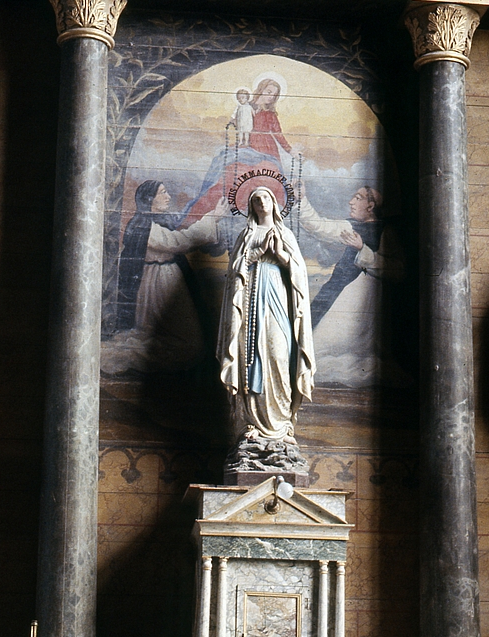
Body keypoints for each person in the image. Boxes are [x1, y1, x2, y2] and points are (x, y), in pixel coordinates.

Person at [217, 186, 315, 460]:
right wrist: (256, 252)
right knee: (251, 358)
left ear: (274, 203)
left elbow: (299, 275)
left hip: (279, 303)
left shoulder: (286, 234)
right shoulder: (246, 235)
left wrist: (282, 257)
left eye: (266, 198)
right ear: (251, 207)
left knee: (279, 354)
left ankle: (282, 425)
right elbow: (236, 270)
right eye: (256, 199)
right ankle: (253, 425)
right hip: (251, 307)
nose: (261, 202)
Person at [296, 183, 407, 387]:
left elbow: (398, 271)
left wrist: (362, 249)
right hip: (335, 290)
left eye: (357, 198)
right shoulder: (350, 226)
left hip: (361, 302)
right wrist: (301, 199)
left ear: (370, 206)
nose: (351, 202)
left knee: (339, 353)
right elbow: (319, 226)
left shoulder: (386, 232)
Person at [110, 180, 226, 371]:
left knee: (183, 339)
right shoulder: (144, 226)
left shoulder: (153, 222)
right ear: (149, 199)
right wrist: (212, 217)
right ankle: (131, 355)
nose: (168, 197)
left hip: (166, 278)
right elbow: (178, 242)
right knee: (185, 343)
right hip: (159, 283)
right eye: (162, 193)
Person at [248, 79, 292, 161]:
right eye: (269, 92)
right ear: (261, 90)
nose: (271, 97)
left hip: (267, 147)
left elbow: (278, 134)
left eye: (274, 95)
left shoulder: (271, 114)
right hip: (248, 144)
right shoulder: (246, 107)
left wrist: (290, 150)